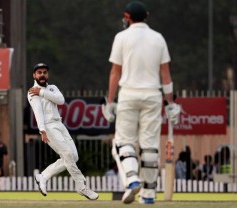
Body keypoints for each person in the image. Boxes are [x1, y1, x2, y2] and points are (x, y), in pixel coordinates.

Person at [101, 1, 180, 204]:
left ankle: (132, 178)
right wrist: (170, 103)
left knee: (122, 142)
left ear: (127, 17)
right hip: (153, 96)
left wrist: (110, 101)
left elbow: (115, 72)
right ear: (147, 15)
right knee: (149, 146)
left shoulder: (121, 37)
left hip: (128, 94)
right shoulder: (158, 38)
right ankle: (149, 194)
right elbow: (166, 75)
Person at [27, 63, 99, 200]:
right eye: (39, 72)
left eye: (44, 72)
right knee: (67, 154)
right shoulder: (32, 91)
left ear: (47, 75)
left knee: (73, 156)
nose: (42, 75)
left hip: (59, 124)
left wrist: (42, 92)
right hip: (48, 126)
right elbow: (38, 112)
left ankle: (43, 176)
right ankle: (81, 186)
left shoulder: (52, 88)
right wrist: (42, 130)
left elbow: (61, 100)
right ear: (34, 75)